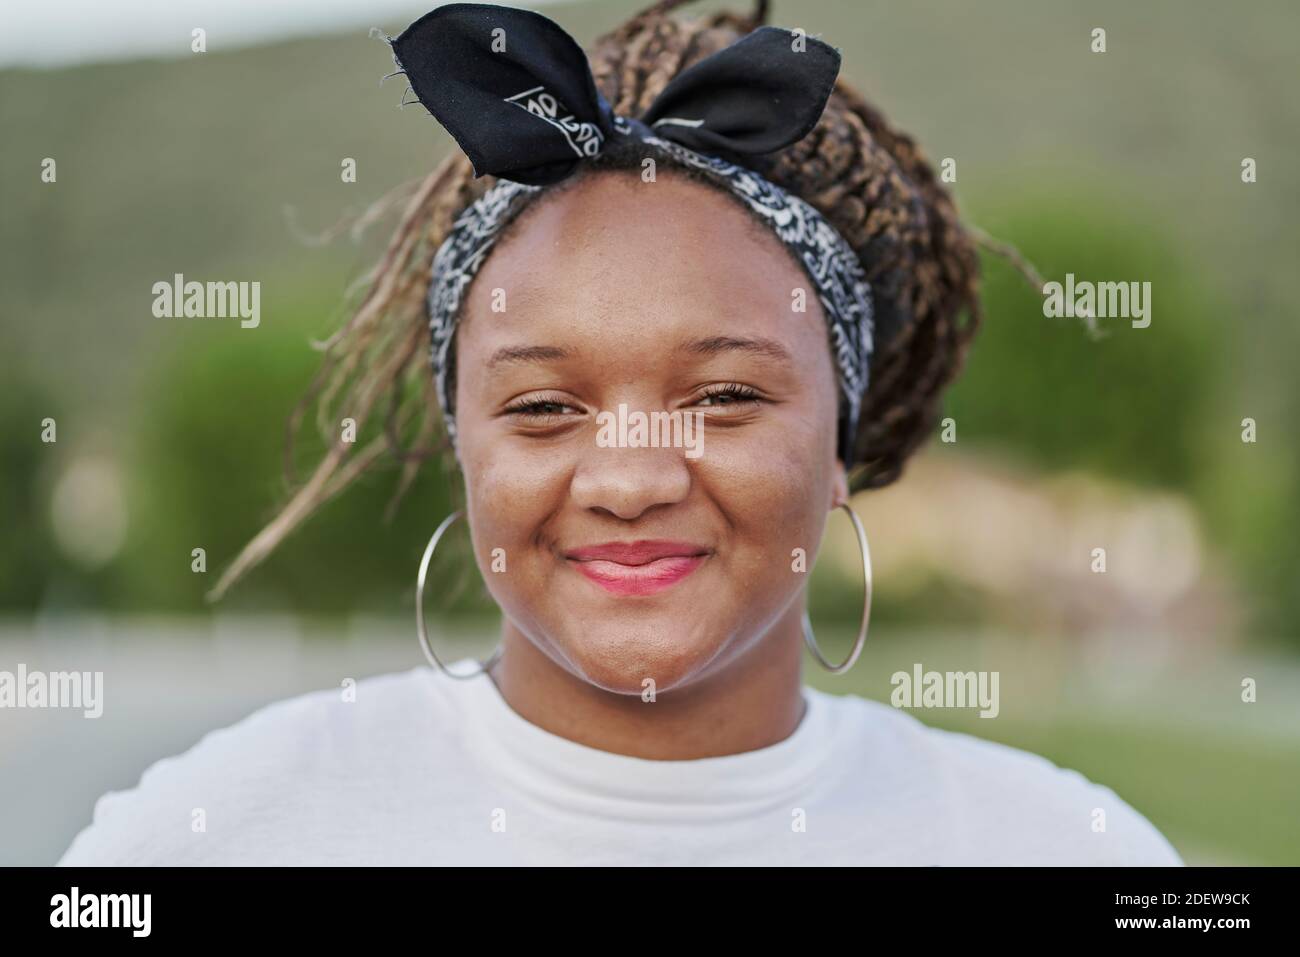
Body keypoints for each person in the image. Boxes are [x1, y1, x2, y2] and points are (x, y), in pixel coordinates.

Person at [59, 0, 1182, 866]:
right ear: (464, 443)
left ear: (841, 440)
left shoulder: (1060, 851)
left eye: (724, 397)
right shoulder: (226, 833)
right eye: (543, 407)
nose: (631, 479)